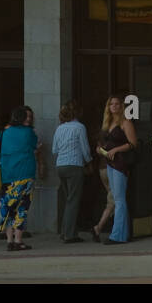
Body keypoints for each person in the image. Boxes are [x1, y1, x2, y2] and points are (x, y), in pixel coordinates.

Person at [97, 94, 137, 244]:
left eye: (117, 104)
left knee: (119, 199)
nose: (114, 106)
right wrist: (101, 148)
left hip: (120, 164)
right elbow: (105, 141)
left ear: (121, 106)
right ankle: (124, 234)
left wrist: (117, 150)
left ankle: (117, 235)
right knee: (116, 197)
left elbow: (133, 143)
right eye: (111, 104)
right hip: (109, 163)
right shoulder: (107, 123)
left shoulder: (125, 123)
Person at [0, 105, 39, 250]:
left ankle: (9, 240)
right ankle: (18, 240)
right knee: (22, 207)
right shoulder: (28, 132)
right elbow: (34, 145)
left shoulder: (4, 132)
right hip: (25, 174)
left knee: (9, 208)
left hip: (7, 174)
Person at [52, 100, 92, 243]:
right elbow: (85, 149)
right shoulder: (79, 127)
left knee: (67, 199)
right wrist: (89, 162)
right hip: (75, 164)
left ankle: (65, 231)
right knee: (73, 200)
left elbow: (54, 150)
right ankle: (70, 234)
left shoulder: (59, 128)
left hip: (60, 165)